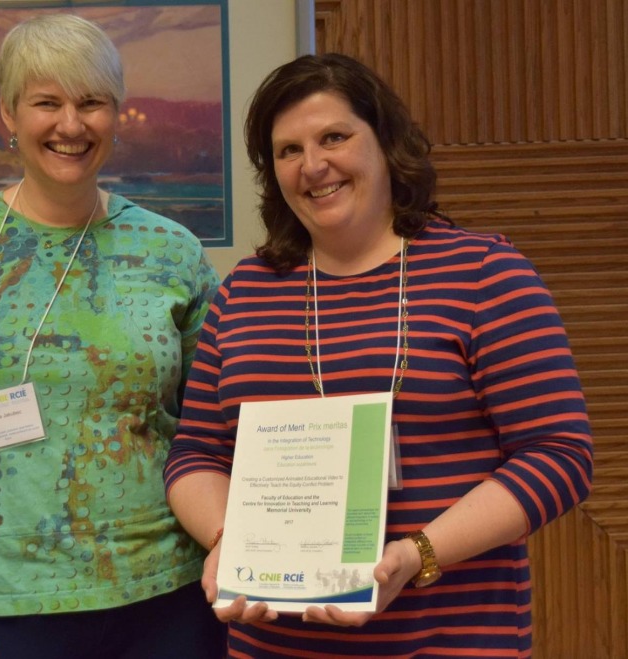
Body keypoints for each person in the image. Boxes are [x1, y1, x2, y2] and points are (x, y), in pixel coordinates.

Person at [163, 53, 593, 657]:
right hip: (271, 645)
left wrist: (416, 555)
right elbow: (197, 451)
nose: (313, 166)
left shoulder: (486, 275)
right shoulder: (243, 294)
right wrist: (230, 540)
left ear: (386, 141)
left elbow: (560, 456)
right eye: (288, 151)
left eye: (333, 137)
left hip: (449, 641)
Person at [0, 14, 225, 659]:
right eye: (46, 103)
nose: (71, 125)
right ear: (8, 112)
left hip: (170, 600)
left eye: (92, 103)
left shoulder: (175, 252)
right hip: (4, 610)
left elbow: (216, 427)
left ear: (117, 114)